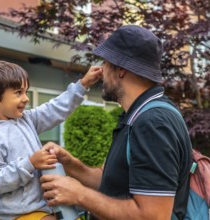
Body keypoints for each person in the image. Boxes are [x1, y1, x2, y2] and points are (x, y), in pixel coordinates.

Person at [40, 25, 193, 220]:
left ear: (120, 69)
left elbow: (153, 216)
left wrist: (79, 195)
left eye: (106, 63)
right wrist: (69, 163)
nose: (102, 70)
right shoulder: (137, 117)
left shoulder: (153, 123)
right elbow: (108, 184)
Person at [0, 60, 102, 220]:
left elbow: (54, 109)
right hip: (20, 214)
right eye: (18, 93)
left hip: (48, 207)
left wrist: (82, 85)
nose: (26, 98)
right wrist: (30, 163)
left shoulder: (25, 120)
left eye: (26, 92)